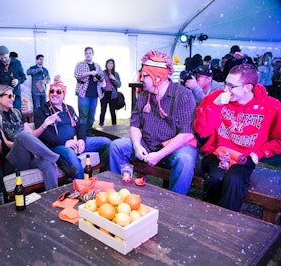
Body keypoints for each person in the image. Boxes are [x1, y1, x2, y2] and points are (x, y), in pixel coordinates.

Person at [193, 63, 281, 212]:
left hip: (244, 156)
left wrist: (258, 154)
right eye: (225, 83)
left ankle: (227, 224)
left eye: (232, 86)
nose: (226, 89)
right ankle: (208, 218)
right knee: (215, 178)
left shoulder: (271, 106)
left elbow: (278, 139)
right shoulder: (215, 98)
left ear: (248, 88)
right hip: (215, 152)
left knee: (234, 181)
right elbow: (202, 131)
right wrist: (214, 106)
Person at [109, 50, 197, 195]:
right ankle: (119, 194)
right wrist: (137, 146)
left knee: (185, 159)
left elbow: (186, 134)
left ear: (157, 78)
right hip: (148, 144)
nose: (140, 78)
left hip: (173, 148)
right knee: (116, 146)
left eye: (145, 75)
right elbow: (134, 125)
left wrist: (159, 155)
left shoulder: (183, 95)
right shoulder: (144, 95)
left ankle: (176, 203)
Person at [0, 85, 78, 190]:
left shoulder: (17, 113)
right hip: (12, 160)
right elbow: (5, 144)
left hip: (29, 156)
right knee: (22, 136)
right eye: (9, 96)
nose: (13, 99)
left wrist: (45, 124)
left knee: (48, 164)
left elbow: (31, 135)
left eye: (13, 96)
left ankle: (53, 196)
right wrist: (27, 145)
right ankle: (59, 160)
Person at [34, 75, 111, 180]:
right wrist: (65, 143)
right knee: (69, 153)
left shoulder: (69, 109)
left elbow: (80, 126)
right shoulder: (42, 111)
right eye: (52, 91)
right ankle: (82, 187)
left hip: (75, 142)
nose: (54, 94)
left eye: (58, 92)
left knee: (106, 142)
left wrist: (81, 140)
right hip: (58, 146)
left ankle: (104, 175)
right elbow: (43, 134)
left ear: (64, 94)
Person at [74, 47, 106, 134]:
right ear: (84, 54)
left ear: (93, 54)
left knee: (91, 116)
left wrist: (98, 79)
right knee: (83, 115)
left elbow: (102, 77)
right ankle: (82, 134)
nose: (88, 55)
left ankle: (88, 132)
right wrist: (90, 73)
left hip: (95, 95)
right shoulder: (80, 64)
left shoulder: (97, 66)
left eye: (90, 53)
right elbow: (77, 75)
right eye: (86, 53)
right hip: (83, 94)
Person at [0, 45, 26, 111]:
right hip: (2, 96)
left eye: (5, 57)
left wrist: (18, 81)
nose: (3, 60)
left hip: (15, 94)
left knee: (17, 114)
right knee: (4, 115)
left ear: (9, 54)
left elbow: (23, 77)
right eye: (1, 58)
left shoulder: (17, 63)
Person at [99, 58, 122, 126]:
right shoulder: (103, 73)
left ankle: (114, 126)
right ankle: (101, 125)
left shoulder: (116, 74)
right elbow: (99, 82)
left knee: (112, 111)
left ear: (113, 65)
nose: (110, 65)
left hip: (113, 95)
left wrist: (114, 78)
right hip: (104, 94)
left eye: (111, 63)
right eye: (109, 63)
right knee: (103, 111)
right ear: (106, 64)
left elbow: (119, 85)